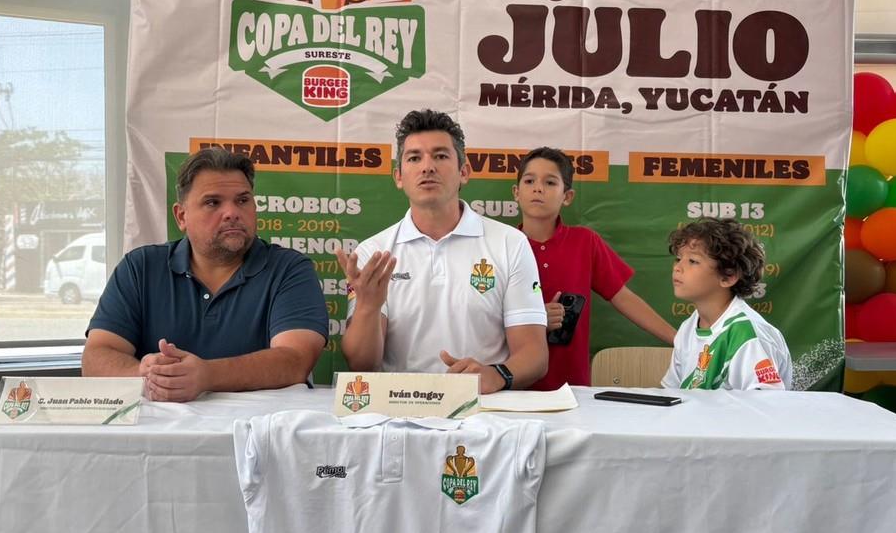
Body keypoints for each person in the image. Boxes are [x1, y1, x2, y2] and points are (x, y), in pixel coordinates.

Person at [82, 147, 328, 400]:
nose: (232, 212)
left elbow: (296, 360)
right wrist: (146, 375)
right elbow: (97, 355)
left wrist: (206, 375)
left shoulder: (289, 269)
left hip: (256, 433)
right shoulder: (140, 267)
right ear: (181, 216)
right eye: (213, 202)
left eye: (243, 200)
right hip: (159, 432)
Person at [337, 109, 547, 394]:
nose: (427, 167)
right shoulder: (374, 252)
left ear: (464, 172)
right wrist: (368, 308)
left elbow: (534, 354)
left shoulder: (510, 243)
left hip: (485, 413)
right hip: (398, 410)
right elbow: (362, 365)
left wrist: (497, 375)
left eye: (440, 156)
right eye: (414, 158)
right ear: (399, 176)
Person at [513, 147, 675, 390]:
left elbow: (623, 297)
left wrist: (681, 341)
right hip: (513, 387)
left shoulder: (584, 242)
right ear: (516, 192)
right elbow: (482, 316)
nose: (538, 188)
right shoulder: (502, 244)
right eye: (529, 180)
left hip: (571, 387)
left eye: (550, 182)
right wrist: (534, 320)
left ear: (567, 196)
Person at [661, 217, 792, 391]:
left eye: (693, 261)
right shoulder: (688, 327)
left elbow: (765, 407)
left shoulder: (747, 335)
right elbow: (671, 393)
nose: (677, 267)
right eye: (678, 259)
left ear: (728, 276)